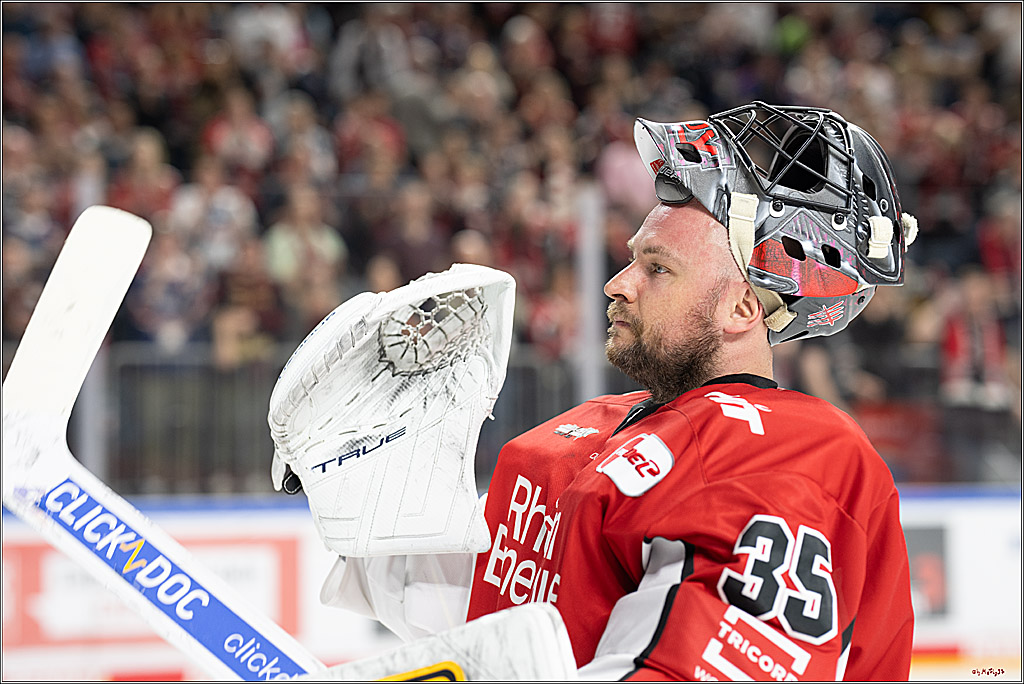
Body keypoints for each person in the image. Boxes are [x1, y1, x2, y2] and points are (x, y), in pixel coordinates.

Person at [298, 102, 917, 681]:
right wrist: (378, 497)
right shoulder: (587, 431)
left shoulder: (794, 451)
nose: (617, 284)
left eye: (657, 268)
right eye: (632, 260)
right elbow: (504, 626)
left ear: (741, 307)